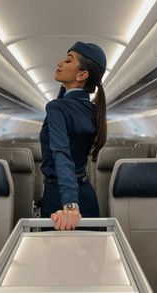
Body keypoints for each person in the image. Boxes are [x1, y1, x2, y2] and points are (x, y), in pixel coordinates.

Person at [40, 41, 107, 230]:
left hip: (60, 199)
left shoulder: (56, 108)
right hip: (86, 196)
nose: (60, 63)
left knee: (55, 259)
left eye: (68, 60)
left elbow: (61, 153)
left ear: (82, 75)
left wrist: (69, 204)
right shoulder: (94, 110)